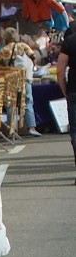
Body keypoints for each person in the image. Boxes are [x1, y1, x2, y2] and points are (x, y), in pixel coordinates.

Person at [0, 29, 41, 137]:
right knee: (27, 101)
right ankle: (31, 127)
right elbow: (33, 56)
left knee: (10, 104)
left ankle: (12, 130)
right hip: (24, 78)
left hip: (10, 79)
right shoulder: (23, 46)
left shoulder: (4, 50)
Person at [56, 23, 76, 181]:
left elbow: (60, 71)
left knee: (75, 131)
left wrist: (65, 90)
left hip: (74, 91)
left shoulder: (69, 41)